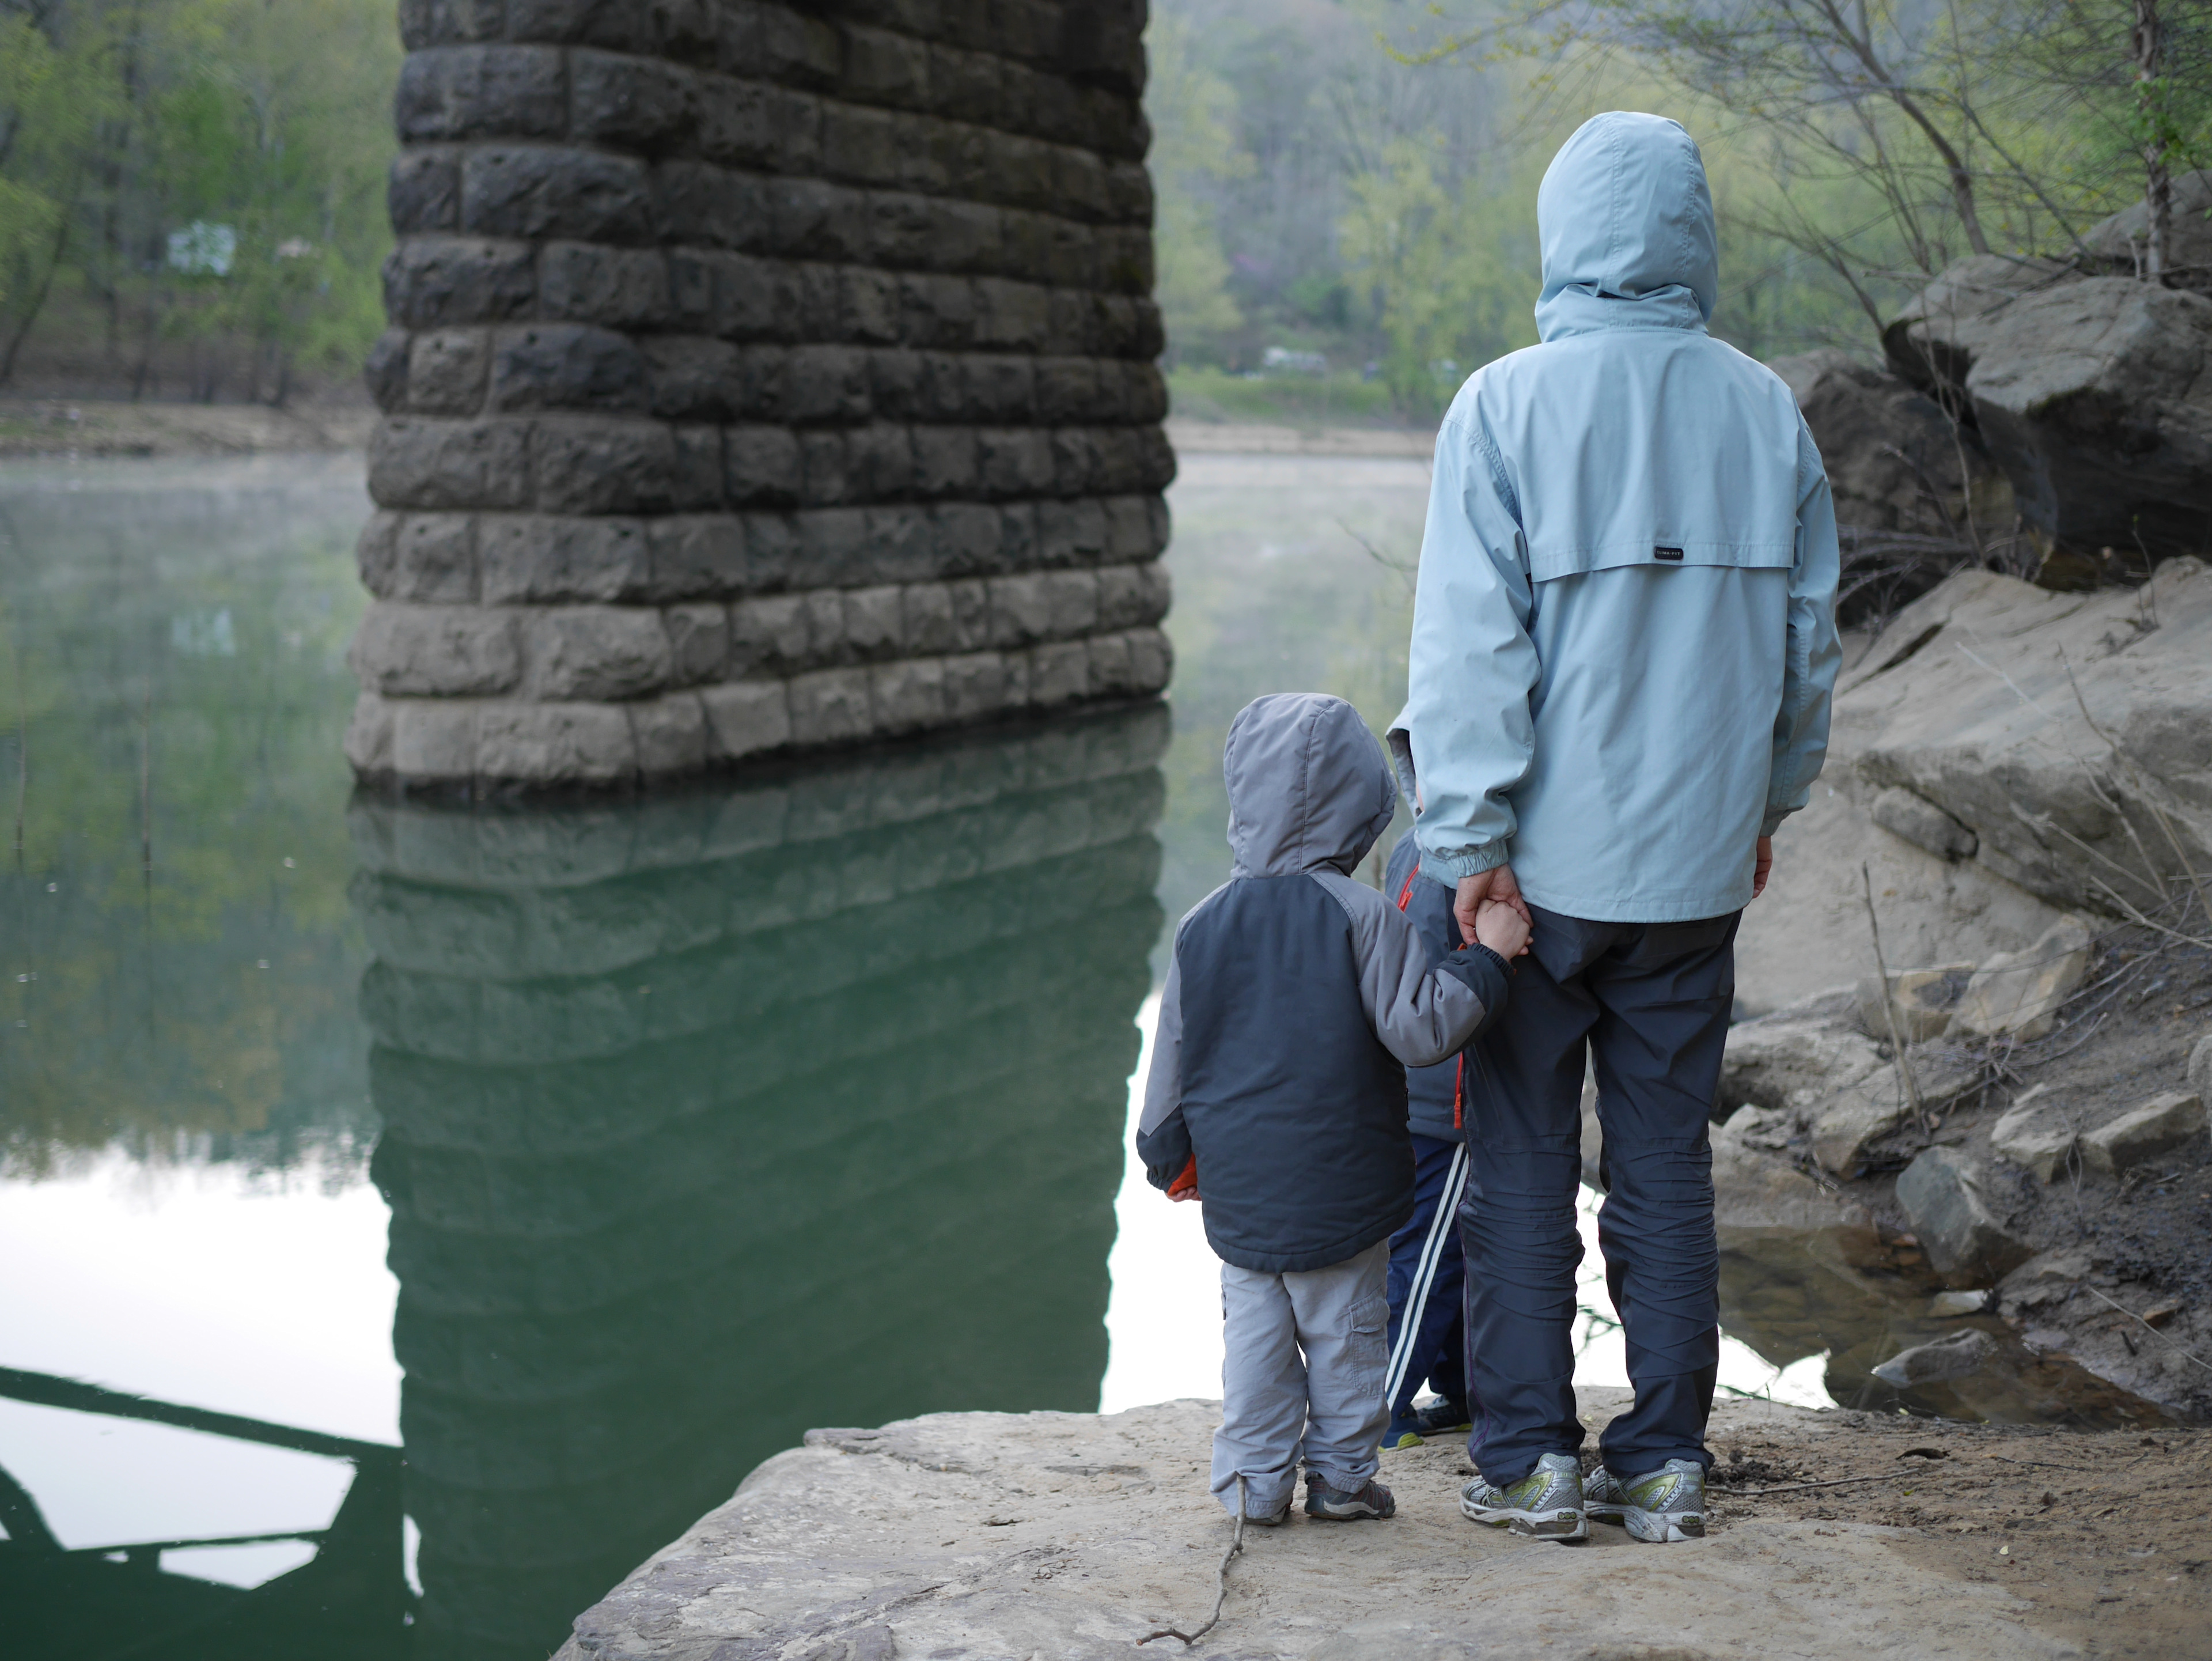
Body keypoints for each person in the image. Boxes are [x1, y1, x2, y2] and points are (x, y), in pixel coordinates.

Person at [1389, 111, 1842, 1545]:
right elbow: (1803, 650)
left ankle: (1527, 1459)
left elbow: (1468, 657)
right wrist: (1763, 803)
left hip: (1535, 881)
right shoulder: (1763, 408)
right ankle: (1663, 1459)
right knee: (1664, 1161)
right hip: (1694, 871)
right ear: (1692, 235)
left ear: (1559, 233)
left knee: (1519, 1160)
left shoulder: (1502, 406)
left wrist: (1468, 847)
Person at [1135, 692, 1528, 1526]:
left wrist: (1166, 1153)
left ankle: (1253, 1486)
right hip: (1345, 1192)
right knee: (1348, 1343)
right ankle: (1344, 1481)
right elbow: (1422, 1030)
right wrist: (1489, 959)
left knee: (1255, 1348)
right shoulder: (1362, 914)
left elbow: (1171, 1054)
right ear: (1361, 805)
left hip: (1241, 1194)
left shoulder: (1201, 923)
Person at [1377, 826, 1478, 1451]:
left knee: (1455, 1246)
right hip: (1450, 1096)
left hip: (1411, 1086)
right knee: (1428, 1257)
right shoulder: (1461, 851)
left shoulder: (1413, 845)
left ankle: (1463, 1392)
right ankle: (1377, 1408)